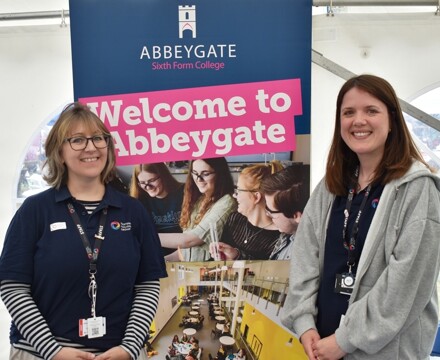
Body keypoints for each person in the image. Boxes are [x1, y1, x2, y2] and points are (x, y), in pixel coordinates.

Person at [280, 75, 440, 360]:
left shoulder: (417, 189)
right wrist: (303, 323)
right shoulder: (332, 185)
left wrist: (344, 341)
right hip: (320, 345)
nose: (358, 121)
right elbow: (305, 256)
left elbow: (405, 286)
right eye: (348, 112)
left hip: (381, 351)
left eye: (371, 111)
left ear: (392, 120)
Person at [0, 102, 167, 360]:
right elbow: (12, 287)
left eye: (98, 138)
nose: (91, 147)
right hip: (42, 353)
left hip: (118, 353)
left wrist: (130, 347)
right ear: (59, 151)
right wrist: (52, 350)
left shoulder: (134, 212)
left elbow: (147, 285)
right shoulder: (35, 211)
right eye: (77, 140)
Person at [159, 157, 237, 261]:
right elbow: (187, 250)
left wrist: (147, 236)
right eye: (195, 173)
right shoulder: (200, 199)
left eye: (205, 173)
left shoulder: (227, 202)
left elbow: (190, 240)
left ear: (220, 174)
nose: (198, 179)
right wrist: (162, 261)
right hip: (191, 271)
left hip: (210, 272)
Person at [209, 162, 282, 260]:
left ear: (256, 197)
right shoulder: (235, 219)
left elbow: (265, 271)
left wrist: (237, 255)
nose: (235, 195)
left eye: (239, 190)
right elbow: (218, 262)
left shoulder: (279, 238)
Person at [130, 162, 184, 257]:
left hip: (186, 254)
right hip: (156, 257)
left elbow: (194, 238)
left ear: (163, 176)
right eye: (142, 183)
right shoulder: (139, 201)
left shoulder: (184, 192)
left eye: (152, 180)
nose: (147, 187)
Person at [259, 165, 306, 260]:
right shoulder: (289, 235)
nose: (267, 214)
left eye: (271, 212)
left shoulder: (301, 258)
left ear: (297, 216)